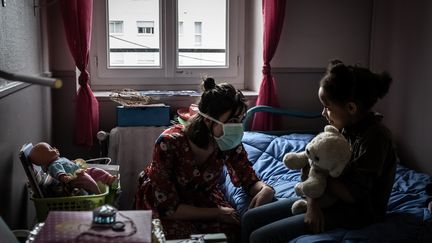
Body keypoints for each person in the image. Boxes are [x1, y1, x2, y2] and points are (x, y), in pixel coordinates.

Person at [241, 59, 397, 243]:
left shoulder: (376, 138)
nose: (323, 114)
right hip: (326, 197)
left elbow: (352, 194)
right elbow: (315, 166)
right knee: (249, 218)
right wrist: (313, 203)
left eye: (327, 107)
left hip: (356, 212)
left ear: (351, 108)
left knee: (260, 237)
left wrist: (315, 189)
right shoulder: (346, 128)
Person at [135, 77, 275, 241]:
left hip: (200, 198)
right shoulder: (169, 143)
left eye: (241, 120)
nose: (238, 127)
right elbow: (168, 208)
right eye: (232, 121)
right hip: (164, 202)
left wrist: (266, 189)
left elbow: (248, 178)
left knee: (232, 232)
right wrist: (217, 213)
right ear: (209, 120)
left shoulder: (227, 142)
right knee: (175, 237)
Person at [29, 142, 117, 195]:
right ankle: (98, 194)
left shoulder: (59, 159)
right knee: (89, 181)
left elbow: (66, 165)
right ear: (45, 157)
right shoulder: (54, 165)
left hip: (80, 171)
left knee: (95, 171)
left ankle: (108, 178)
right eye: (51, 148)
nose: (55, 148)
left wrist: (72, 163)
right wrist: (63, 177)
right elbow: (59, 172)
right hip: (75, 178)